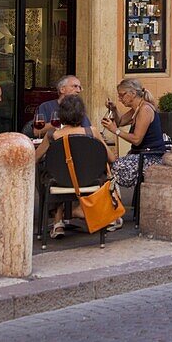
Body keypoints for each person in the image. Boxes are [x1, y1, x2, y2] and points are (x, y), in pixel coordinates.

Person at [36, 95, 112, 239]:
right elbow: (111, 158)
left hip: (60, 181)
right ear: (82, 114)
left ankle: (57, 221)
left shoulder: (52, 135)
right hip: (90, 180)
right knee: (64, 173)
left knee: (47, 173)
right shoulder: (92, 132)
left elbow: (35, 158)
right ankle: (84, 212)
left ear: (61, 115)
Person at [101, 77, 166, 187]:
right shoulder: (136, 109)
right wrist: (114, 109)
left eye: (122, 95)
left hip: (150, 157)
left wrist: (115, 130)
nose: (120, 99)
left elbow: (136, 139)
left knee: (113, 168)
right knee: (106, 166)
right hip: (140, 155)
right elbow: (120, 121)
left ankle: (110, 200)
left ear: (133, 93)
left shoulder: (145, 109)